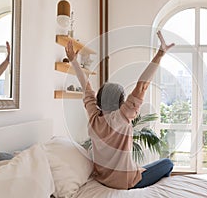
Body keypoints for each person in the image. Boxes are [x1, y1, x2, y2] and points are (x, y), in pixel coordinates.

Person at [65, 31, 175, 190]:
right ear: (120, 102)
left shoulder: (94, 118)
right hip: (126, 182)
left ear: (99, 101)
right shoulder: (122, 117)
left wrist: (73, 61)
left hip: (103, 179)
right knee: (167, 163)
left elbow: (86, 87)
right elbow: (142, 86)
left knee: (145, 167)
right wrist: (160, 54)